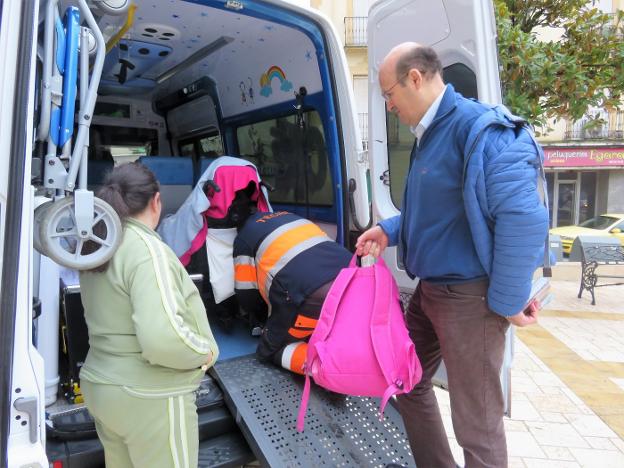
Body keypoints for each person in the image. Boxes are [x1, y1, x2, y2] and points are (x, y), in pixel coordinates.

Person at [356, 43, 549, 468]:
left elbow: (524, 220)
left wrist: (510, 300)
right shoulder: (429, 133)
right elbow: (434, 210)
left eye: (389, 93)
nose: (388, 105)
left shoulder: (480, 129)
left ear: (415, 79)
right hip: (431, 293)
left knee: (476, 426)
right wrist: (389, 229)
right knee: (404, 379)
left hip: (470, 300)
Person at [79, 162, 219, 468]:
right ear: (156, 201)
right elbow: (162, 339)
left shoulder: (99, 243)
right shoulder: (148, 250)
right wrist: (204, 353)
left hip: (102, 385)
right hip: (150, 395)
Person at [230, 193, 351, 374]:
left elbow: (246, 292)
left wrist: (260, 317)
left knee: (270, 349)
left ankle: (324, 369)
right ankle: (350, 354)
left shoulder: (243, 238)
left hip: (313, 297)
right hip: (353, 282)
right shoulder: (288, 216)